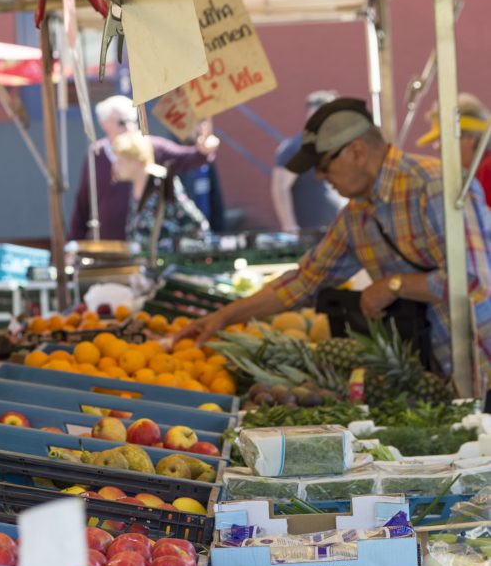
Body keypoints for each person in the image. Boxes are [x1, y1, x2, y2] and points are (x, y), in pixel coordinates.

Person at [178, 97, 491, 388]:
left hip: (482, 362)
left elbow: (474, 281)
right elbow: (302, 283)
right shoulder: (357, 216)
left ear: (356, 152)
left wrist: (393, 285)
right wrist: (222, 317)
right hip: (436, 375)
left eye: (323, 164)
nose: (318, 177)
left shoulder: (433, 185)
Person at [68, 95, 219, 241]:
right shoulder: (96, 154)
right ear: (104, 124)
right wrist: (74, 241)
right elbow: (83, 200)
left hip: (152, 254)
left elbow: (188, 159)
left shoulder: (153, 152)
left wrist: (203, 152)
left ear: (140, 160)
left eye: (133, 121)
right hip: (112, 246)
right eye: (122, 122)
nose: (130, 127)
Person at [111, 131, 210, 251]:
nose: (115, 166)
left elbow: (196, 224)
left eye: (121, 161)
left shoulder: (161, 182)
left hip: (171, 264)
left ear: (138, 161)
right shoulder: (133, 185)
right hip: (145, 264)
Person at [271, 90, 346, 233]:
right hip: (310, 235)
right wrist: (289, 225)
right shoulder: (296, 148)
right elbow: (280, 188)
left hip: (339, 230)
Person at [417, 93, 491, 208]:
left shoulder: (487, 170)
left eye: (443, 141)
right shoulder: (474, 172)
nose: (438, 148)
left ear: (470, 138)